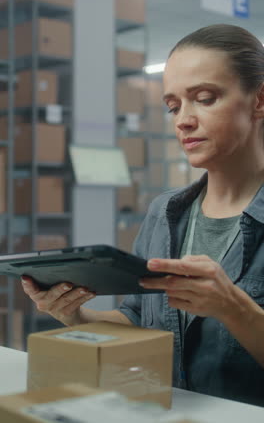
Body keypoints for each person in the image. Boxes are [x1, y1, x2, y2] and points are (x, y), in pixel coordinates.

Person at [22, 24, 264, 407]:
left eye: (204, 98)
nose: (183, 120)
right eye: (173, 106)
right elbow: (138, 321)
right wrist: (78, 317)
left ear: (259, 100)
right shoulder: (164, 213)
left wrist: (235, 309)